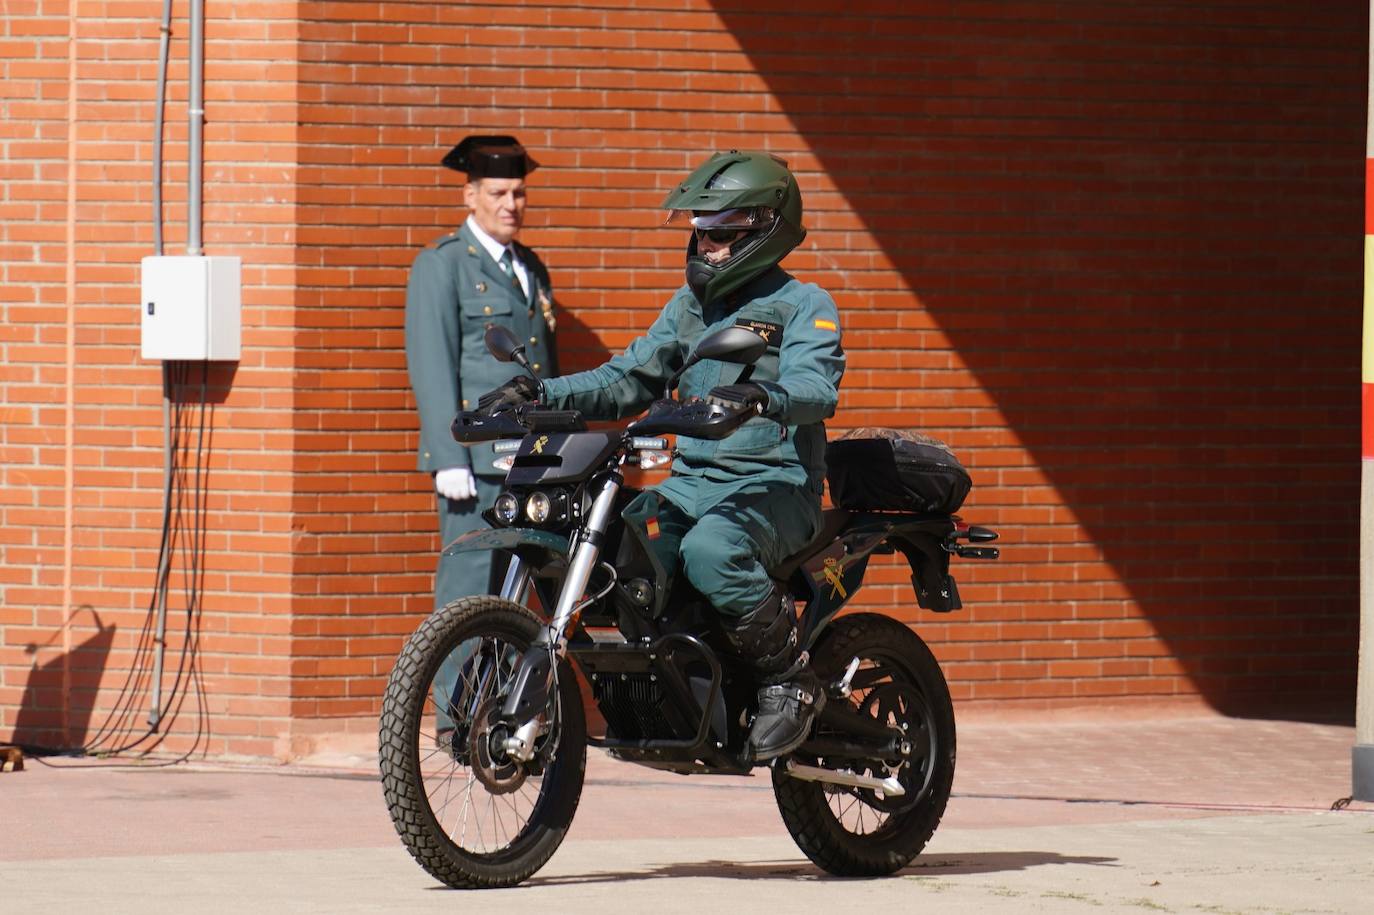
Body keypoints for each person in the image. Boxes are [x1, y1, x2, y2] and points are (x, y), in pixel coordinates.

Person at [478, 151, 845, 761]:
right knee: (621, 550)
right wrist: (539, 392)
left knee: (712, 551)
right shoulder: (691, 309)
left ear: (766, 229)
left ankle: (790, 679)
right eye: (700, 232)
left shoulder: (806, 304)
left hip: (774, 485)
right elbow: (629, 376)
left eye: (723, 234)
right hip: (689, 484)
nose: (707, 246)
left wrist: (761, 396)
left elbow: (817, 388)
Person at [405, 135, 558, 733]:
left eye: (519, 193)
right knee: (468, 595)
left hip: (531, 464)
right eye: (498, 193)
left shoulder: (530, 268)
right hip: (475, 464)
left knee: (522, 596)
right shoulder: (443, 265)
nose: (511, 204)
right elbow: (431, 361)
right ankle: (456, 720)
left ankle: (512, 716)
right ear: (470, 195)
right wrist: (448, 455)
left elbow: (545, 370)